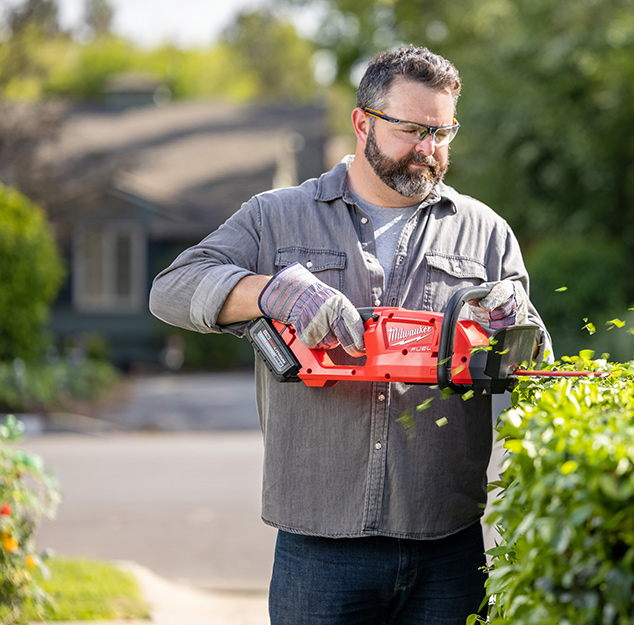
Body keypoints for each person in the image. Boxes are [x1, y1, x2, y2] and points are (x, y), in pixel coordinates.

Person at [149, 45, 551, 624]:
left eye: (443, 133)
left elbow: (533, 370)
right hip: (318, 548)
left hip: (448, 546)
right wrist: (270, 292)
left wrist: (518, 333)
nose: (428, 150)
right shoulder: (276, 216)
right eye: (412, 129)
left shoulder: (484, 233)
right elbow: (172, 287)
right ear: (362, 122)